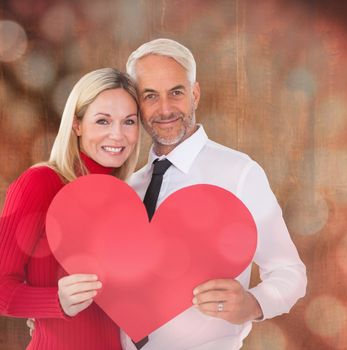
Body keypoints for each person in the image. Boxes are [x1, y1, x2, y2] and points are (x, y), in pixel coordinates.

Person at [120, 38, 307, 350]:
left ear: (195, 94)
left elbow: (290, 273)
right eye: (150, 95)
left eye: (176, 92)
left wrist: (253, 304)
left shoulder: (238, 173)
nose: (164, 109)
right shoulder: (128, 189)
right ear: (136, 104)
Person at [0, 67, 141, 350]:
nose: (118, 135)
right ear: (77, 125)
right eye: (103, 121)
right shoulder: (40, 183)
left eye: (129, 122)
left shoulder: (128, 200)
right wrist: (55, 302)